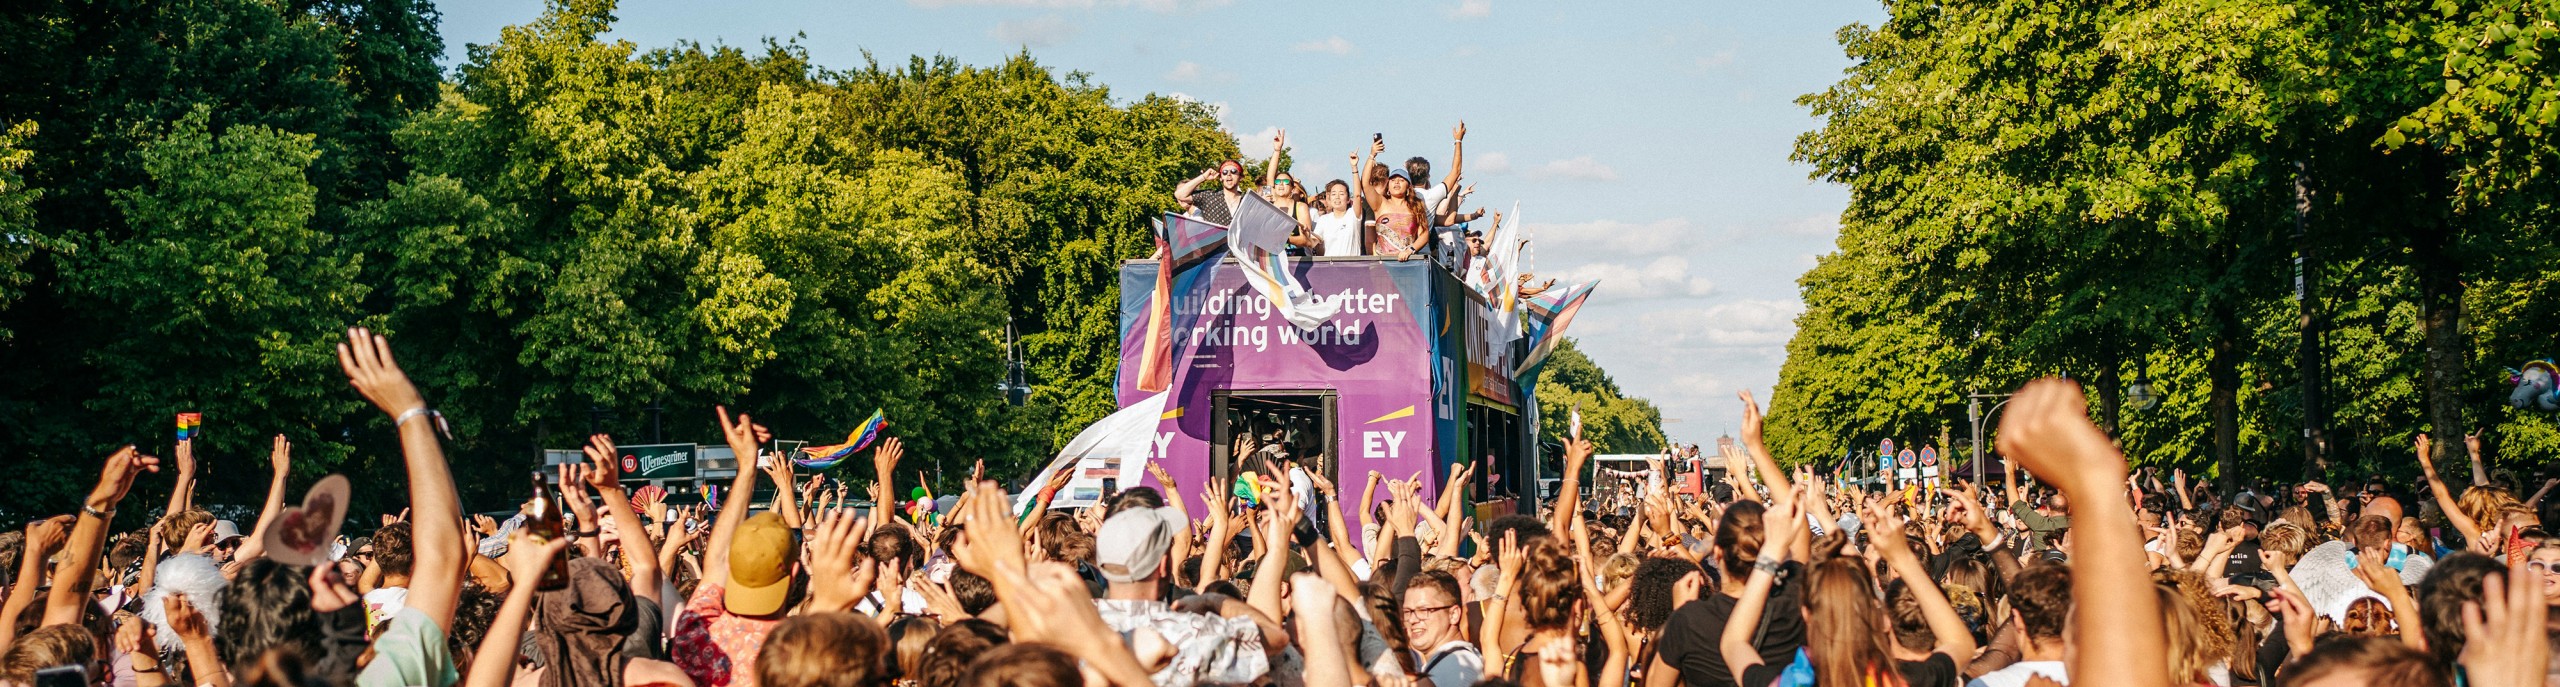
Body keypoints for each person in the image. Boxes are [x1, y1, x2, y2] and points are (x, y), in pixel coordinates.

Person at [1174, 160, 1250, 226]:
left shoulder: (1248, 201)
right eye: (1224, 172)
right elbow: (1179, 195)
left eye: (1233, 171)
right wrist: (1203, 177)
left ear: (1241, 177)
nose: (1229, 175)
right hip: (1215, 242)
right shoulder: (1209, 196)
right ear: (1220, 178)